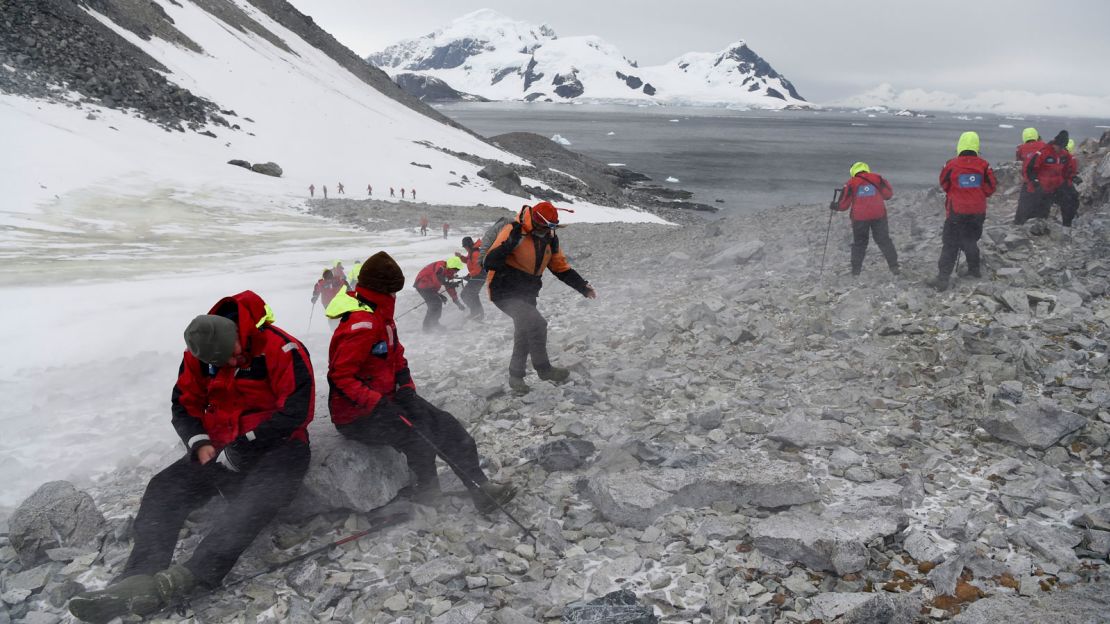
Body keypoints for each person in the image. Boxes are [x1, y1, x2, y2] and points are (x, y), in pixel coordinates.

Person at [68, 292, 314, 623]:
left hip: (280, 447)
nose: (231, 364)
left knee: (254, 502)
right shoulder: (198, 355)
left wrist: (245, 445)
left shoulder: (282, 348)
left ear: (240, 335)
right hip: (219, 446)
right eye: (221, 363)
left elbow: (297, 410)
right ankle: (136, 579)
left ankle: (190, 577)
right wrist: (199, 443)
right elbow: (183, 405)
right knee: (164, 488)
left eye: (234, 356)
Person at [327, 252, 516, 511]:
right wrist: (378, 403)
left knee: (447, 425)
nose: (395, 295)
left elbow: (397, 358)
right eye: (393, 290)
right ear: (381, 289)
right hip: (356, 415)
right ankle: (427, 493)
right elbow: (340, 377)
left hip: (389, 398)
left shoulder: (381, 317)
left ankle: (480, 489)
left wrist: (405, 388)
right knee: (418, 436)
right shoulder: (362, 325)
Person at [484, 201, 596, 393]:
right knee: (537, 324)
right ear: (536, 221)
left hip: (527, 292)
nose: (547, 231)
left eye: (551, 227)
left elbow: (560, 268)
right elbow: (490, 261)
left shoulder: (549, 238)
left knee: (524, 330)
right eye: (544, 227)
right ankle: (544, 369)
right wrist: (508, 246)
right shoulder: (514, 231)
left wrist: (582, 287)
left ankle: (515, 376)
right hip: (503, 290)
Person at [931, 131, 997, 291]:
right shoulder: (984, 165)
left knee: (950, 244)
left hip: (956, 212)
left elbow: (944, 184)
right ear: (976, 146)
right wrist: (976, 194)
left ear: (960, 145)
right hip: (977, 212)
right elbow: (990, 188)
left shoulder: (951, 165)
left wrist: (958, 193)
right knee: (970, 240)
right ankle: (974, 271)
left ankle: (943, 279)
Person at [834, 162, 899, 276]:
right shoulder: (877, 178)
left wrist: (835, 206)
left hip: (860, 218)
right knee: (884, 240)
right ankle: (894, 267)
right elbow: (888, 195)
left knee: (860, 243)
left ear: (853, 171)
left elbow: (843, 205)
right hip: (879, 215)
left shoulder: (851, 183)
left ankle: (856, 272)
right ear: (866, 169)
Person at [1015, 131, 1078, 226]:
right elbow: (1030, 168)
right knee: (1026, 209)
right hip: (1039, 186)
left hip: (1052, 188)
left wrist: (1073, 176)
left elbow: (1068, 169)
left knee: (1069, 200)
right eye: (1059, 147)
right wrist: (1034, 181)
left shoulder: (1065, 155)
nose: (1060, 149)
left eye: (1062, 147)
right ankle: (1019, 227)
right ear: (1055, 144)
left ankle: (1066, 225)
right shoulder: (1043, 153)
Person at [413, 256, 466, 331]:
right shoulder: (441, 267)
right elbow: (437, 277)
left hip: (429, 287)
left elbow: (448, 286)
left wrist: (457, 302)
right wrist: (446, 285)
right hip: (422, 285)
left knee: (436, 303)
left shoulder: (448, 272)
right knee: (435, 304)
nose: (456, 272)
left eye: (457, 270)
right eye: (456, 270)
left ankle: (432, 324)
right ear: (452, 267)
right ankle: (428, 327)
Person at [459, 236, 485, 321]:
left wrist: (469, 275)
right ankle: (478, 313)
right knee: (473, 294)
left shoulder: (475, 253)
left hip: (479, 276)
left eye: (465, 246)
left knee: (465, 294)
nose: (465, 248)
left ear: (468, 245)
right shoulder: (471, 252)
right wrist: (460, 257)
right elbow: (467, 261)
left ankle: (476, 312)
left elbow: (477, 269)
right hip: (476, 276)